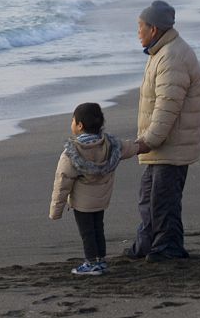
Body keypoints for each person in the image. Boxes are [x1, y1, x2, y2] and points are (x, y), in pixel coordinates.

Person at [127, 0, 200, 263]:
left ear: (154, 29)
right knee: (148, 197)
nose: (137, 31)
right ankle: (146, 244)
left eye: (140, 26)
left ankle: (168, 248)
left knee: (163, 201)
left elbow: (167, 106)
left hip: (171, 145)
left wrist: (149, 140)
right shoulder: (161, 52)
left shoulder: (172, 57)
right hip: (164, 146)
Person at [49, 102, 145, 275]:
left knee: (87, 233)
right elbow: (131, 148)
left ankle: (92, 263)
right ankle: (100, 260)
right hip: (101, 200)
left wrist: (56, 211)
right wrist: (146, 145)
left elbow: (62, 183)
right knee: (97, 229)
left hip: (82, 204)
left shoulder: (71, 153)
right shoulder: (111, 145)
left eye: (73, 121)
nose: (71, 124)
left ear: (79, 125)